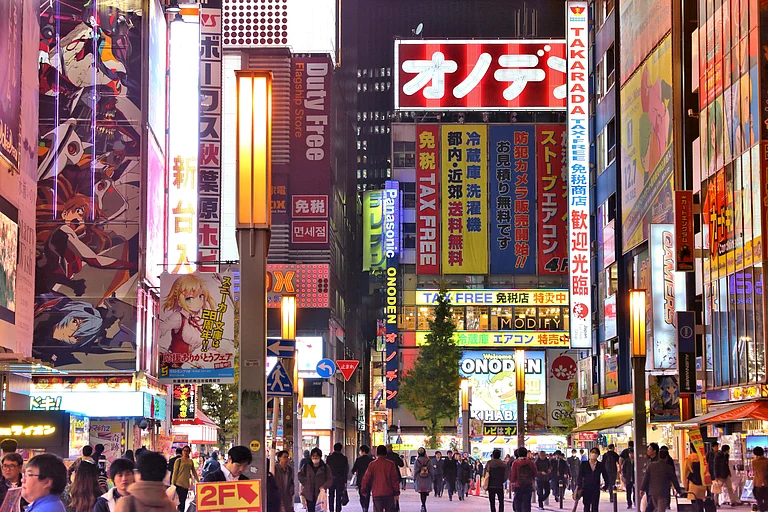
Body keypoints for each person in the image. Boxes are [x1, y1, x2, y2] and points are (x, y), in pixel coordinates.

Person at [361, 446, 400, 512]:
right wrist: (396, 492)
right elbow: (394, 479)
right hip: (389, 493)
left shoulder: (372, 465)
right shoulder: (391, 464)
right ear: (386, 453)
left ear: (377, 453)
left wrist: (364, 490)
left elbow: (366, 479)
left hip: (377, 494)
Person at [576, 448, 609, 512]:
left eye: (595, 453)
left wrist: (606, 485)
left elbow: (605, 475)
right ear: (590, 453)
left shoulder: (600, 465)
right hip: (586, 488)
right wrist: (579, 486)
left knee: (595, 507)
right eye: (592, 452)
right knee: (586, 506)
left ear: (598, 455)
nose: (593, 454)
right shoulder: (584, 464)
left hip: (596, 488)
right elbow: (580, 476)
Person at [171, 446, 197, 512]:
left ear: (189, 452)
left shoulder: (190, 461)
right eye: (184, 450)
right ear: (182, 452)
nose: (185, 452)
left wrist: (198, 481)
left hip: (186, 484)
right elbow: (175, 472)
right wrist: (173, 484)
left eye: (187, 451)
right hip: (178, 483)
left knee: (183, 501)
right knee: (180, 502)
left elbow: (194, 472)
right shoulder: (178, 461)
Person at [510, 448, 537, 512]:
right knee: (527, 503)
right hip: (528, 485)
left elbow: (513, 475)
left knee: (518, 503)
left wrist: (512, 483)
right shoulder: (531, 462)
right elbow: (535, 473)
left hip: (518, 485)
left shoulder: (515, 463)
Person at [326, 443, 350, 512]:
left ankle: (331, 510)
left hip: (331, 479)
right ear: (341, 449)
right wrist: (345, 482)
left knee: (331, 495)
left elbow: (326, 469)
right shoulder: (344, 458)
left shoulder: (329, 458)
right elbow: (345, 470)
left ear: (334, 448)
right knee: (339, 496)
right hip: (340, 480)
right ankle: (338, 510)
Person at [351, 446, 374, 512]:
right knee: (367, 494)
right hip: (369, 480)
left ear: (363, 451)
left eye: (360, 451)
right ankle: (366, 507)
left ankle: (363, 506)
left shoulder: (358, 459)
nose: (359, 452)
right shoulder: (371, 460)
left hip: (360, 480)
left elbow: (353, 470)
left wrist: (355, 472)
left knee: (361, 494)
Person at [413, 448, 433, 512]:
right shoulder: (428, 461)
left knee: (421, 493)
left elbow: (415, 471)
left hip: (419, 478)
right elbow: (431, 471)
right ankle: (424, 505)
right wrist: (432, 478)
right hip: (427, 478)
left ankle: (423, 505)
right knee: (425, 492)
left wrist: (414, 478)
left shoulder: (417, 461)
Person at [752, 446, 768, 512]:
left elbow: (754, 471)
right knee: (767, 497)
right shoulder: (767, 461)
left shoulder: (754, 462)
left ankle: (762, 509)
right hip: (766, 482)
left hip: (758, 483)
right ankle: (765, 507)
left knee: (758, 497)